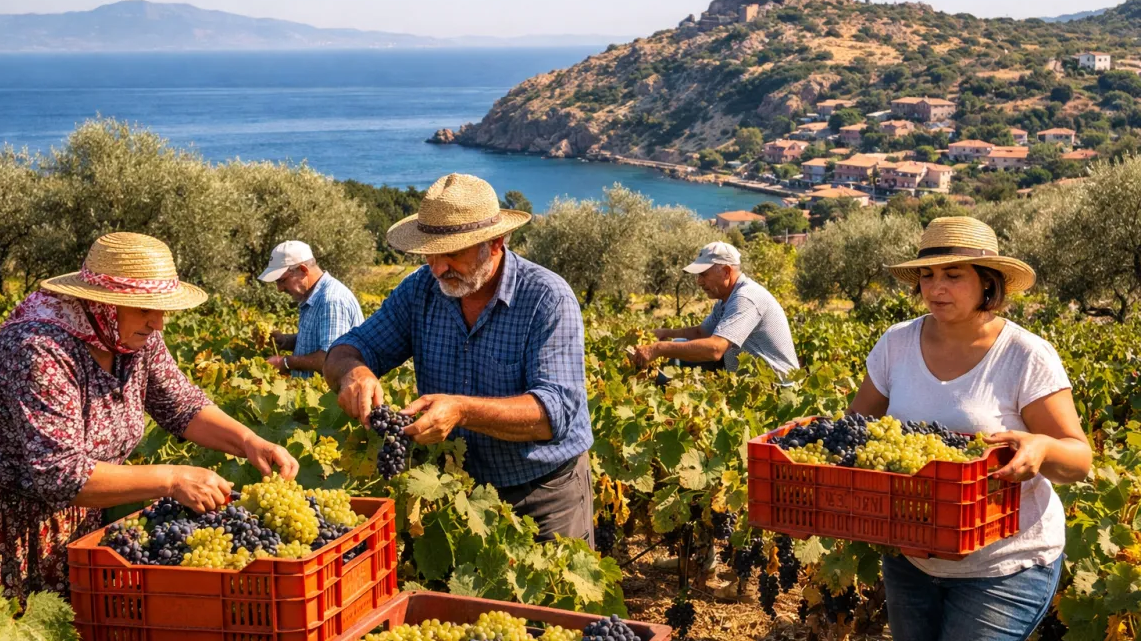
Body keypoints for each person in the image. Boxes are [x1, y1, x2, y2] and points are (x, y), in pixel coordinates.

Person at [0, 232, 299, 598]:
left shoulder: (129, 337)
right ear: (104, 304)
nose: (157, 323)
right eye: (145, 308)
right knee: (4, 636)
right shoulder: (40, 350)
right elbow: (59, 474)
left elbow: (181, 404)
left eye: (161, 309)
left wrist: (249, 441)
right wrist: (172, 479)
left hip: (77, 510)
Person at [847, 216, 1091, 641]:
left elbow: (1079, 459)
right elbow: (856, 433)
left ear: (988, 282)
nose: (936, 287)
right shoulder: (895, 344)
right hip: (912, 555)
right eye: (927, 275)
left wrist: (1040, 448)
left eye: (953, 274)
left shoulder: (1025, 355)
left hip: (1005, 562)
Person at [324, 173, 594, 546]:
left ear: (495, 242)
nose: (438, 267)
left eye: (453, 253)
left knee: (551, 603)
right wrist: (354, 372)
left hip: (544, 495)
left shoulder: (547, 299)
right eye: (431, 254)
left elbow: (555, 414)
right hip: (455, 492)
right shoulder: (420, 291)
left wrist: (462, 411)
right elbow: (346, 350)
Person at [629, 241, 799, 379]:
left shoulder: (746, 298)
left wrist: (658, 349)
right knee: (677, 351)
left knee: (673, 363)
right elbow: (700, 333)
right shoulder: (726, 299)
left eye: (703, 274)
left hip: (775, 389)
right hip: (751, 386)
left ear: (726, 272)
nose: (699, 282)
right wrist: (664, 333)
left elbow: (715, 349)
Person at [258, 240, 363, 377]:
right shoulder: (312, 297)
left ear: (303, 270)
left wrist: (285, 362)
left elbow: (331, 358)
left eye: (282, 280)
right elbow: (319, 341)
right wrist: (286, 341)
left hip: (328, 397)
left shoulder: (331, 300)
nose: (279, 289)